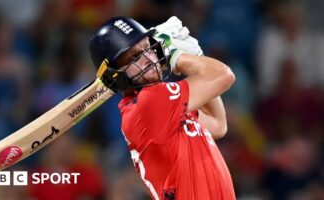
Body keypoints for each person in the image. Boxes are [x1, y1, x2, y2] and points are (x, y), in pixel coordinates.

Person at [89, 16, 236, 200]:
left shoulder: (164, 105)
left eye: (148, 47)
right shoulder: (149, 102)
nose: (149, 58)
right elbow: (224, 75)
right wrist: (175, 55)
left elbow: (217, 124)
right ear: (115, 75)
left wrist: (197, 57)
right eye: (135, 57)